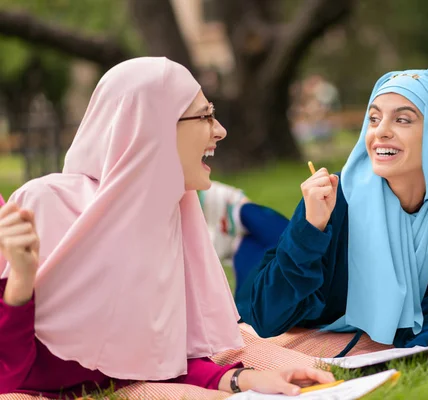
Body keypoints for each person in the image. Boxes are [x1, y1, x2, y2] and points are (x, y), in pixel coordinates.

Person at [0, 57, 333, 398]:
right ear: (152, 126)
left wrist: (244, 380)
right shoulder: (43, 205)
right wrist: (21, 284)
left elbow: (162, 363)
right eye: (205, 116)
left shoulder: (169, 217)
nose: (220, 130)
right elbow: (7, 378)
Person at [236, 69, 428, 356]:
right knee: (254, 239)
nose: (380, 130)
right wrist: (310, 228)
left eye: (402, 119)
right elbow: (267, 317)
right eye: (374, 118)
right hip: (267, 287)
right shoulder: (333, 197)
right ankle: (236, 212)